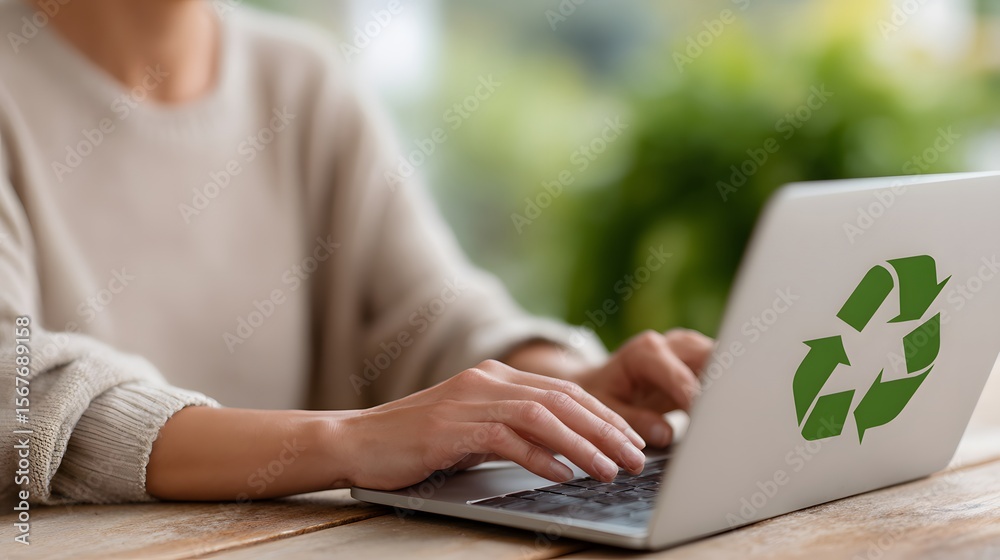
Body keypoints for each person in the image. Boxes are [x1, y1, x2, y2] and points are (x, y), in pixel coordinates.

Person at [0, 0, 711, 506]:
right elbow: (18, 393)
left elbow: (429, 311)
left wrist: (563, 389)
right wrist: (349, 442)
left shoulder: (301, 75)